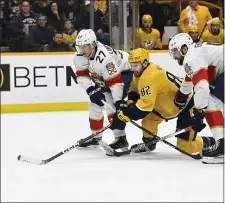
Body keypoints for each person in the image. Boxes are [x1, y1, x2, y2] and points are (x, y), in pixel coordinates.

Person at [107, 48, 215, 157]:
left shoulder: (150, 76)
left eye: (136, 65)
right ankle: (150, 144)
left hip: (185, 105)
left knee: (186, 147)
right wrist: (129, 104)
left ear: (145, 63)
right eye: (132, 65)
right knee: (147, 123)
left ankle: (215, 143)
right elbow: (134, 90)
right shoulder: (140, 72)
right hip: (164, 108)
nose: (133, 69)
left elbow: (143, 109)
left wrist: (125, 115)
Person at [169, 33, 224, 164]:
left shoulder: (191, 57)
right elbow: (190, 78)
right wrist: (182, 95)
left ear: (184, 48)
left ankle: (222, 146)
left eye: (175, 52)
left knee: (209, 100)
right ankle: (222, 144)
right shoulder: (196, 52)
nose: (175, 57)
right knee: (211, 99)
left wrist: (199, 113)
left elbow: (202, 87)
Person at [74, 29, 132, 151]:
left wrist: (118, 102)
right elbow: (82, 75)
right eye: (80, 47)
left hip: (124, 72)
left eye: (85, 47)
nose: (81, 50)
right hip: (103, 76)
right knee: (94, 103)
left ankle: (121, 138)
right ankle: (96, 136)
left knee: (111, 104)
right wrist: (90, 89)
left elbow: (115, 83)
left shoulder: (105, 57)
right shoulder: (80, 55)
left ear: (93, 44)